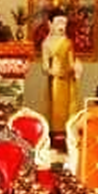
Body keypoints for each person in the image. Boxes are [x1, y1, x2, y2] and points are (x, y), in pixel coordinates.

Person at [41, 7, 79, 137]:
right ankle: (56, 133)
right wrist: (51, 71)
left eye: (64, 23)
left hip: (69, 80)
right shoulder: (46, 44)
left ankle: (69, 134)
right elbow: (44, 66)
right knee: (56, 108)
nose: (61, 26)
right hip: (56, 81)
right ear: (50, 24)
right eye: (58, 23)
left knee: (70, 107)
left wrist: (76, 68)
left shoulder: (68, 42)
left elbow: (72, 61)